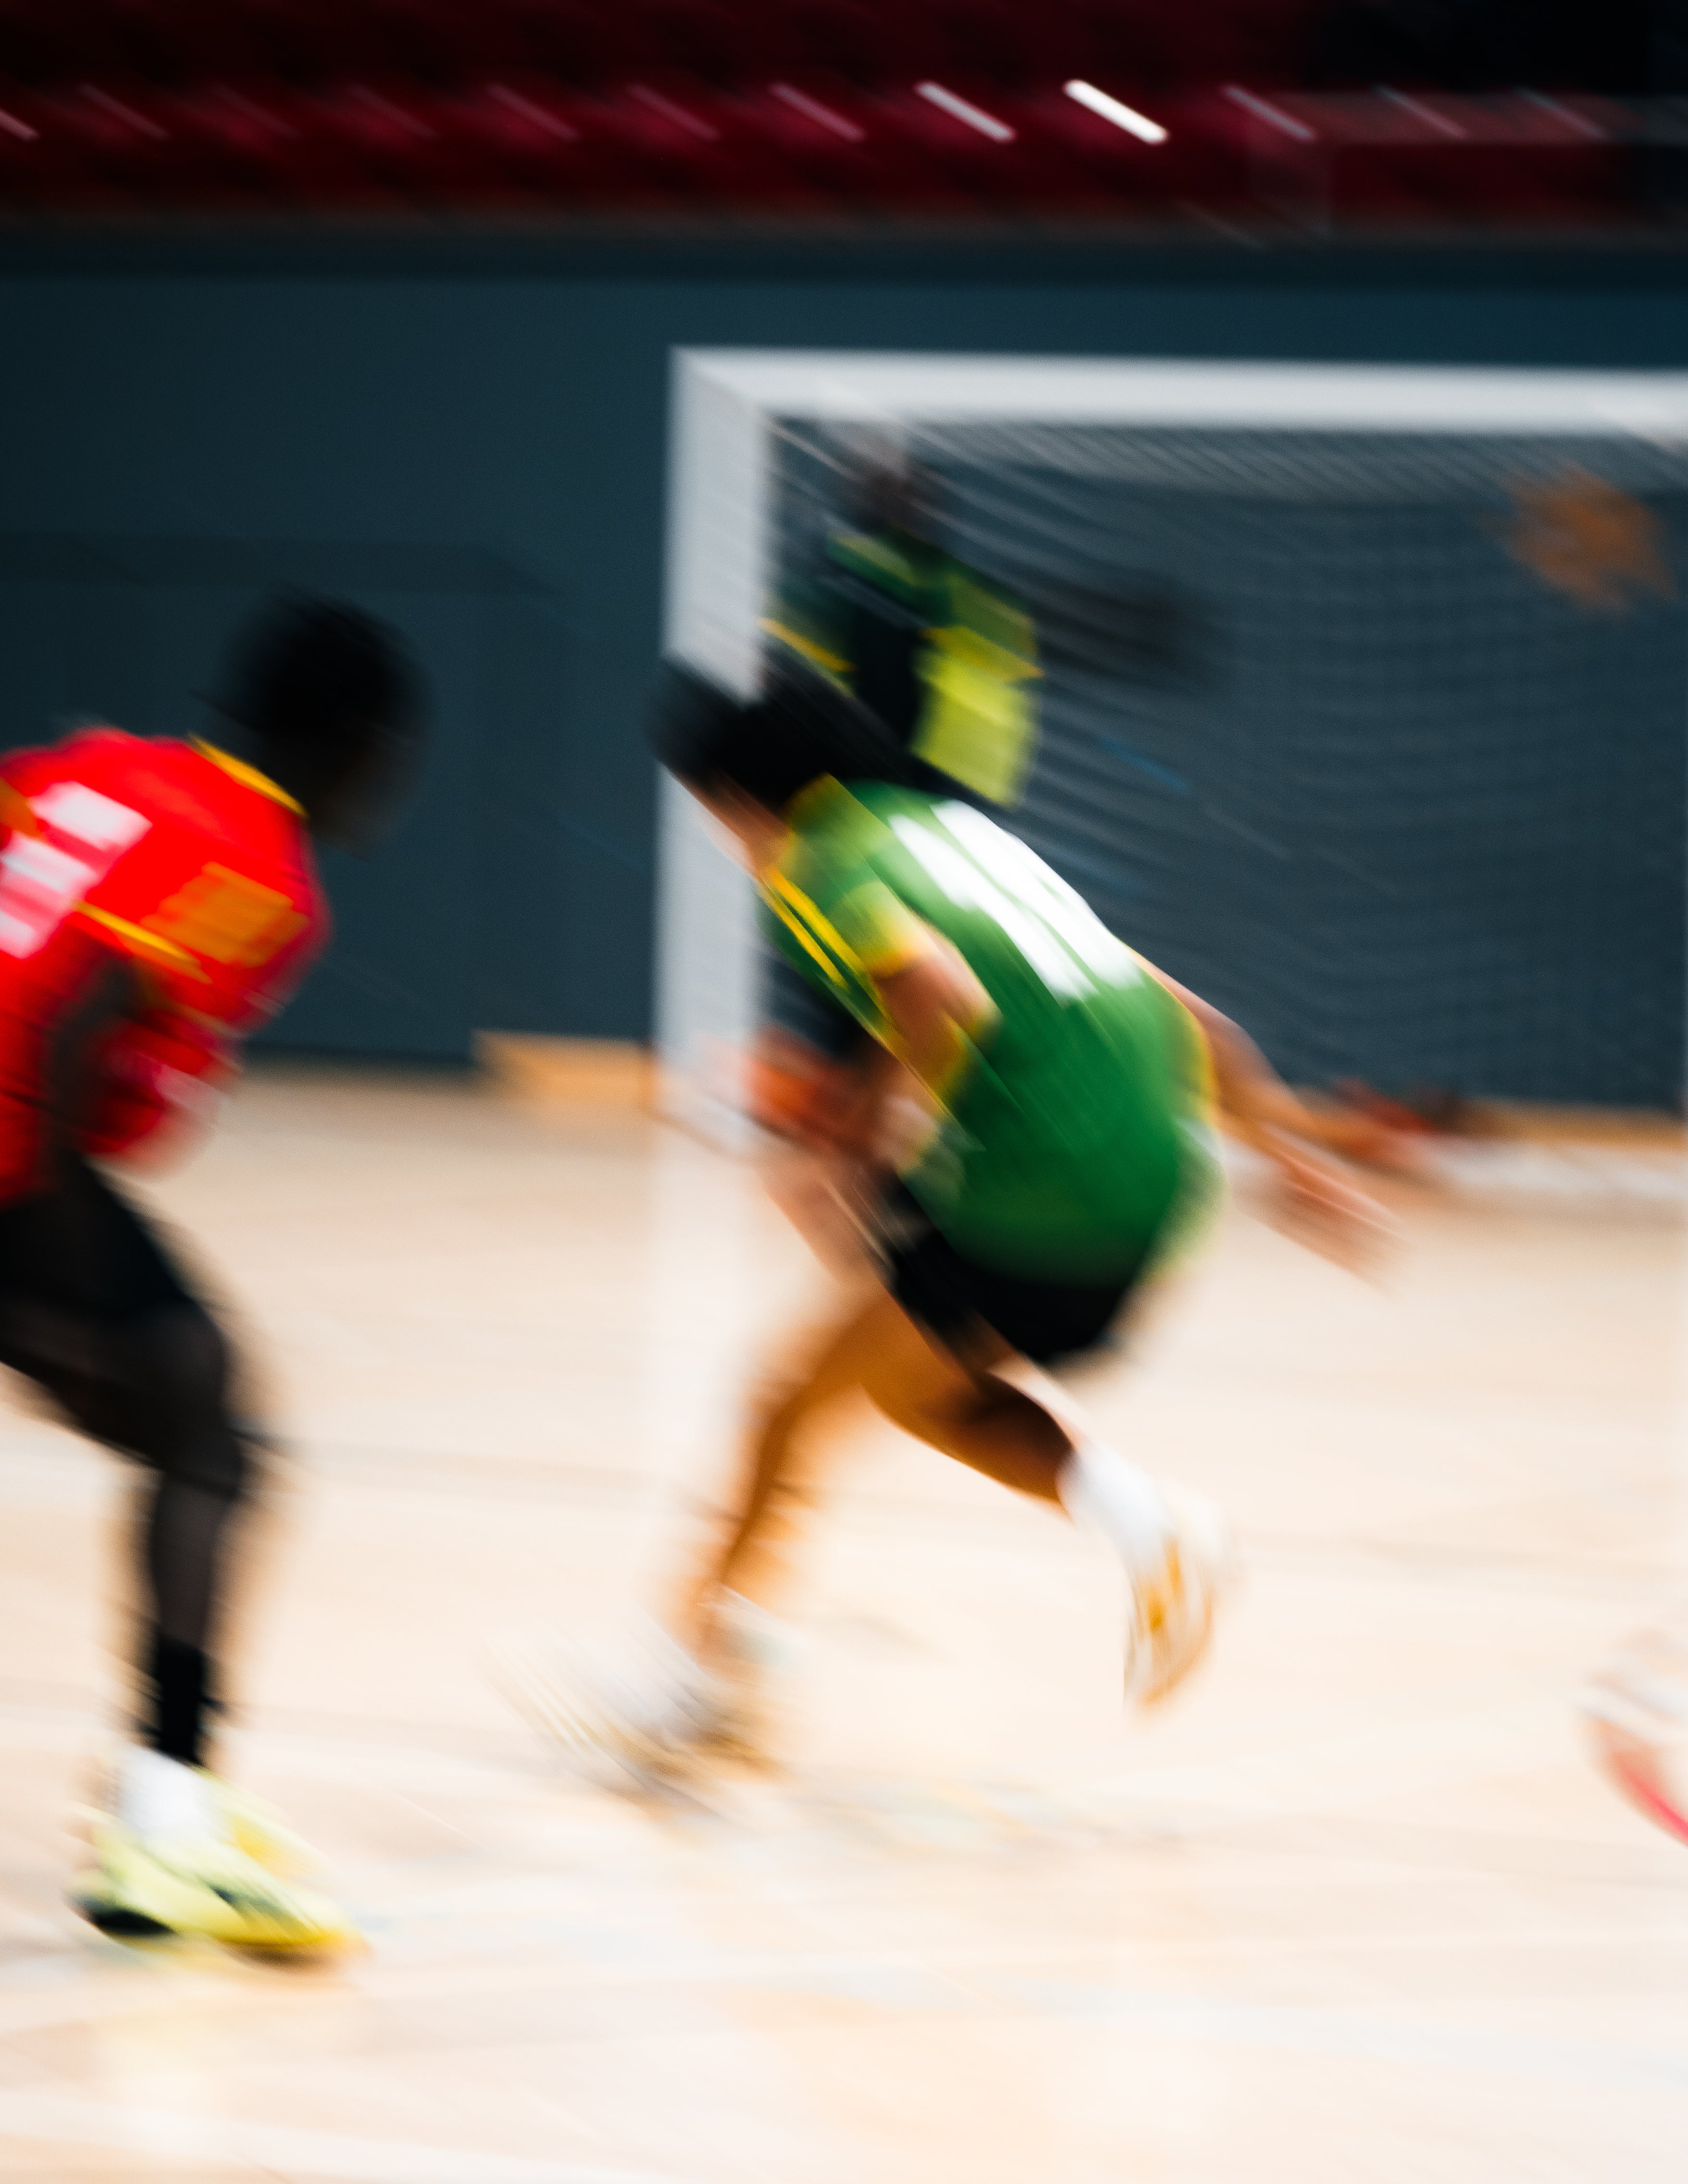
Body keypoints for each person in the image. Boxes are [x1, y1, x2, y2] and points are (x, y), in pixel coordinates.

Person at [504, 656, 1388, 1772]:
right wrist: (1288, 1151)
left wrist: (847, 1149)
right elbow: (1189, 1016)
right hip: (1155, 1187)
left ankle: (691, 1682)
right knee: (895, 1389)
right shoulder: (958, 834)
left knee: (786, 1401)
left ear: (738, 802)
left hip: (1046, 1181)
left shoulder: (821, 862)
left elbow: (936, 997)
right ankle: (1139, 1525)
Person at [0, 592, 422, 1949]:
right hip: (14, 1151)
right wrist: (62, 1279)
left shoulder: (96, 766)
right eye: (390, 757)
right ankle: (163, 1820)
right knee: (210, 1437)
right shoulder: (257, 868)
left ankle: (169, 1798)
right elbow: (76, 1035)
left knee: (196, 1416)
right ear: (353, 746)